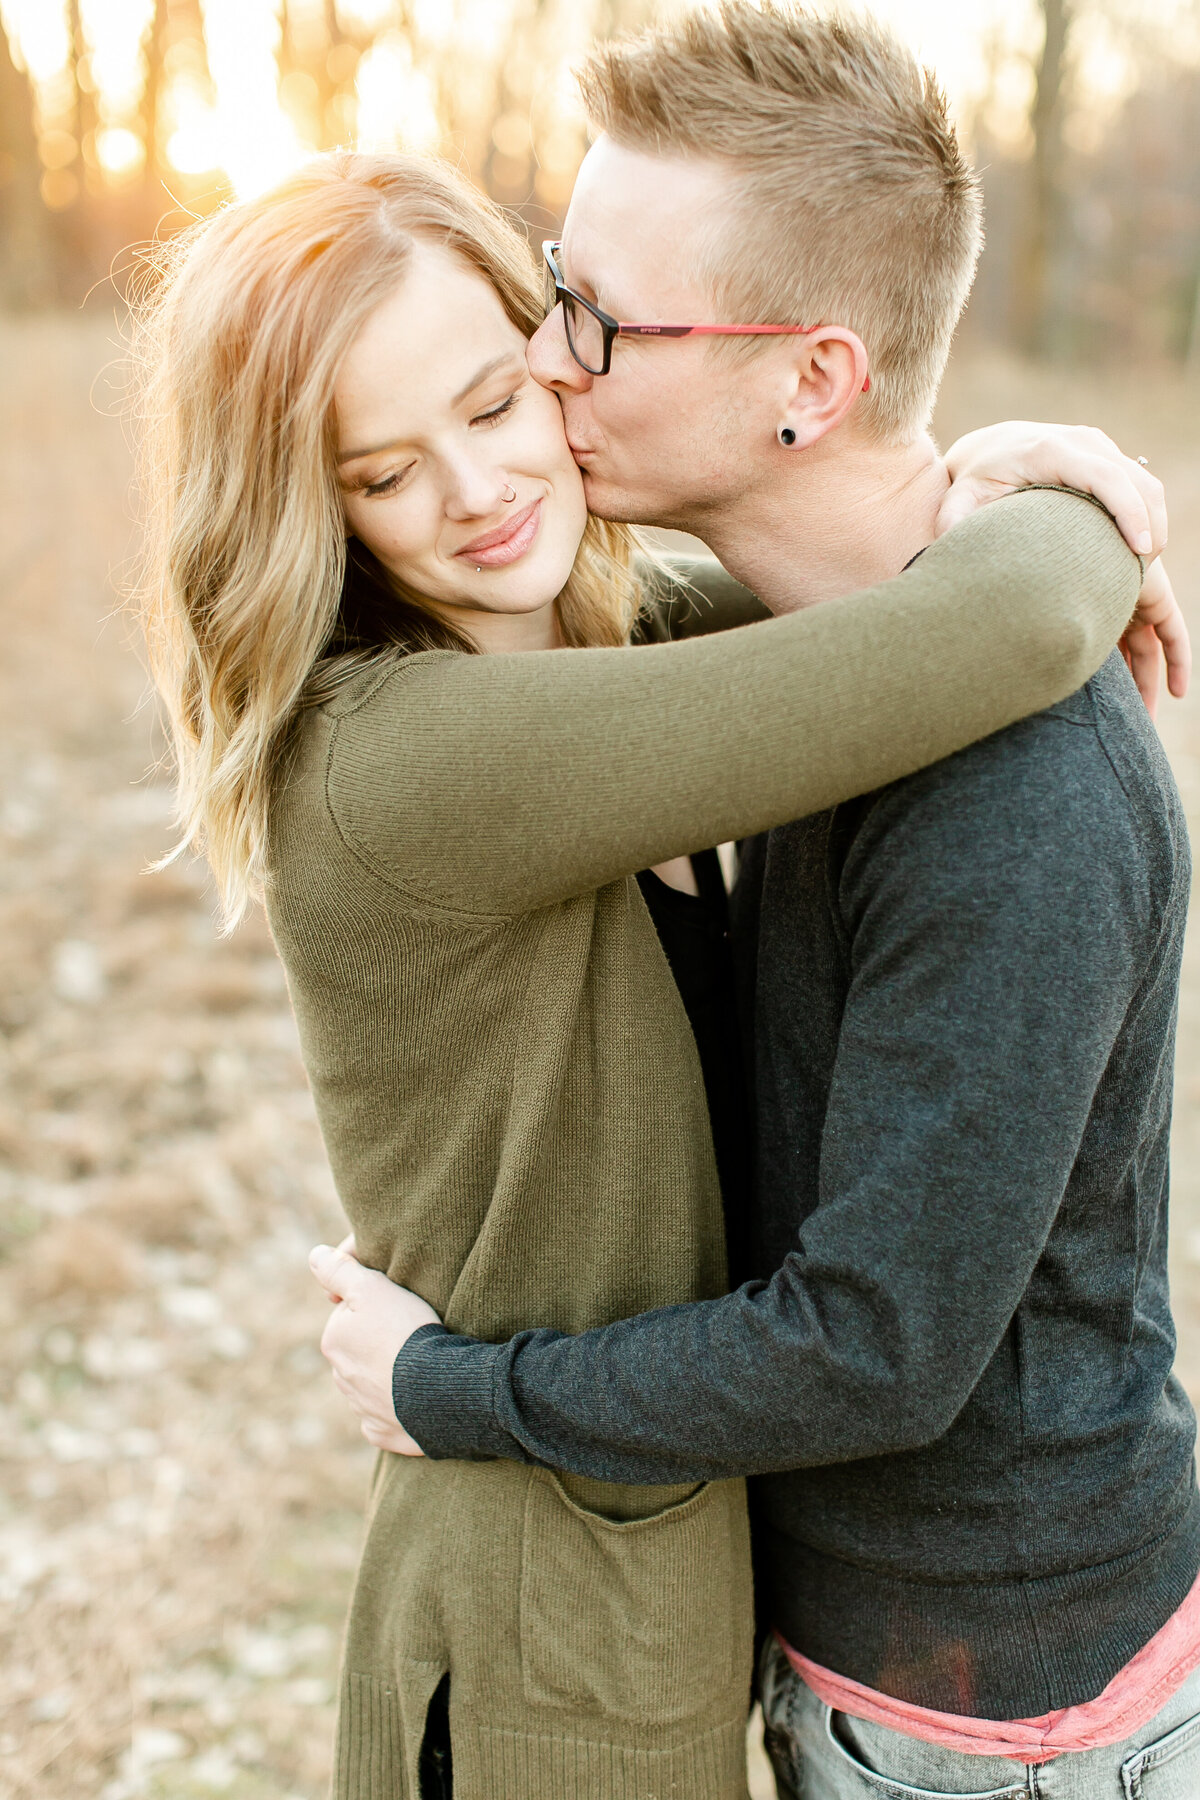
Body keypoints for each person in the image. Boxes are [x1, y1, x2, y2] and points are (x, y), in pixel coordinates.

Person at [313, 7, 1200, 1799]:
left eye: (603, 324)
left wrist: (458, 1391)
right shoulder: (811, 682)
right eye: (559, 285)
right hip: (859, 1650)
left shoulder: (1009, 794)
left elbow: (877, 1346)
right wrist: (1067, 501)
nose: (550, 370)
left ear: (810, 378)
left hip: (993, 1713)